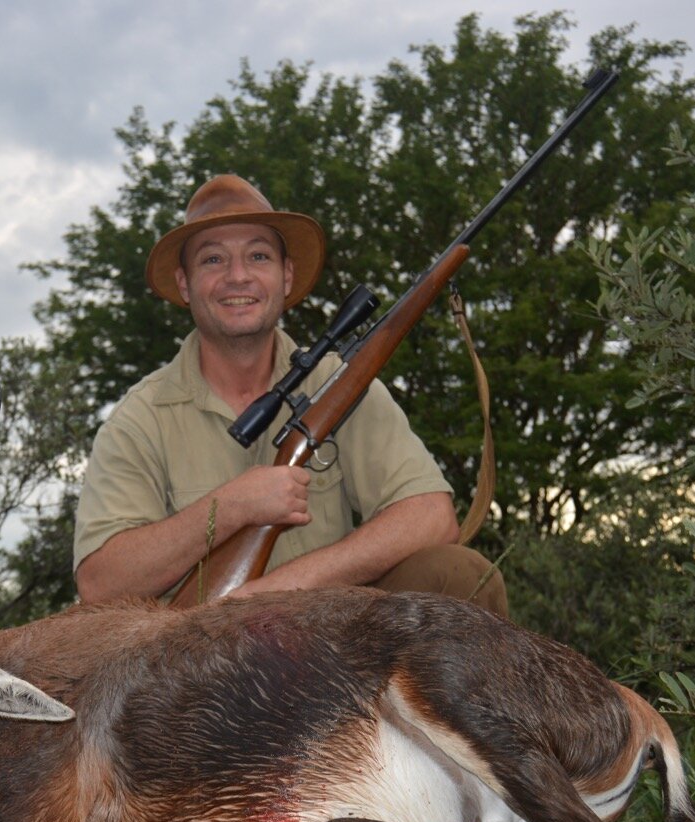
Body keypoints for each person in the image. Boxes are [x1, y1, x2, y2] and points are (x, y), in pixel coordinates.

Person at [73, 174, 507, 617]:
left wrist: (281, 591)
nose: (237, 276)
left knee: (461, 573)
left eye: (258, 256)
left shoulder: (336, 383)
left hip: (333, 637)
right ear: (185, 285)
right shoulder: (139, 418)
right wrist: (231, 508)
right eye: (213, 259)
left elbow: (431, 515)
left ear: (286, 276)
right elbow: (100, 582)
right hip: (198, 663)